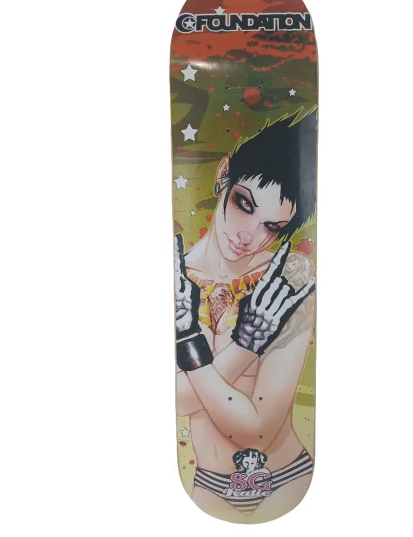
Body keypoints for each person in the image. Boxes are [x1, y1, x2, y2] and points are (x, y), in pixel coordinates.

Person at [174, 109, 317, 522]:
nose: (248, 236)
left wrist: (190, 343)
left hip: (285, 479)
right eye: (244, 204)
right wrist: (247, 347)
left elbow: (258, 431)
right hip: (204, 486)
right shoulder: (175, 275)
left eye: (272, 226)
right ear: (224, 174)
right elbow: (175, 401)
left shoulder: (287, 282)